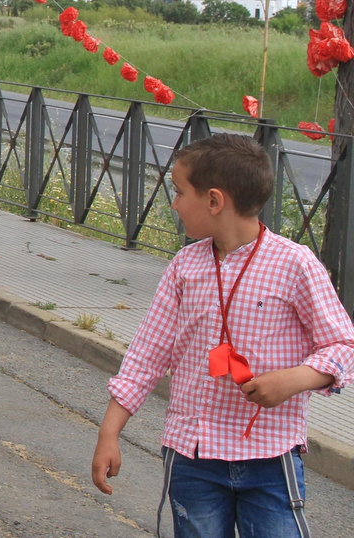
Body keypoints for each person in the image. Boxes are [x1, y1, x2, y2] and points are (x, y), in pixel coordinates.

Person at [92, 134, 354, 535]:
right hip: (192, 456)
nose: (173, 204)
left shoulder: (295, 264)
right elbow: (147, 354)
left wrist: (296, 378)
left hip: (270, 454)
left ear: (214, 201)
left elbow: (343, 344)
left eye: (179, 193)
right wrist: (109, 432)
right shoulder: (185, 266)